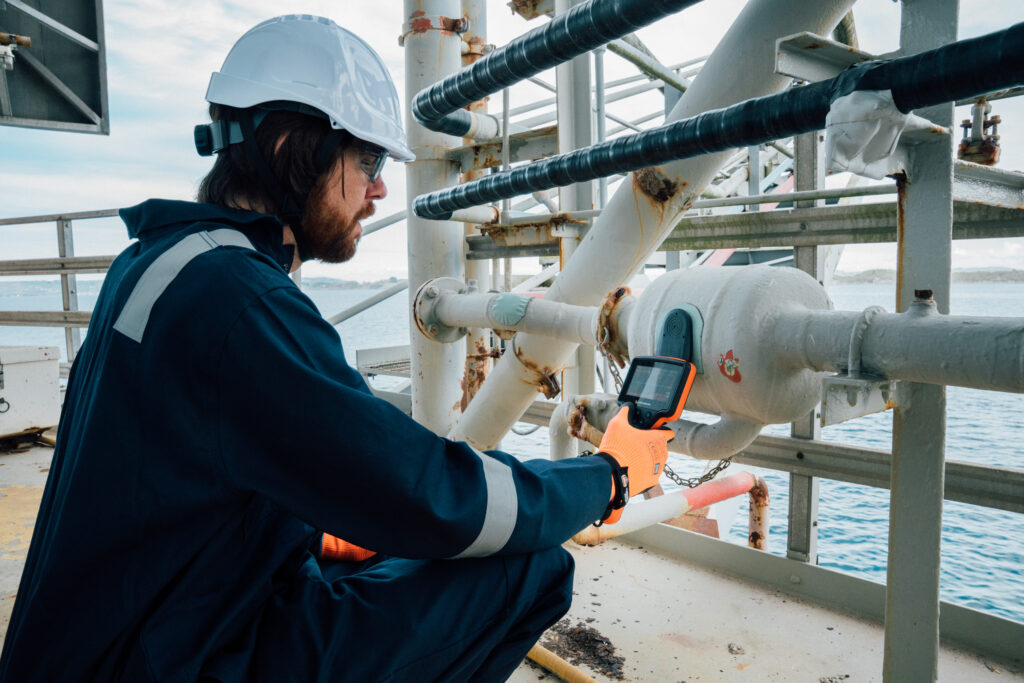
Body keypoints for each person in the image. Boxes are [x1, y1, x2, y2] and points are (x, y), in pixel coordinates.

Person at [0, 15, 672, 682]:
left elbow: (171, 477)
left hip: (105, 642)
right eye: (369, 161)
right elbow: (432, 493)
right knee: (532, 568)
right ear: (296, 147)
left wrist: (302, 532)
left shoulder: (152, 262)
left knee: (365, 551)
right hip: (172, 659)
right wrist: (607, 476)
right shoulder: (240, 302)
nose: (380, 190)